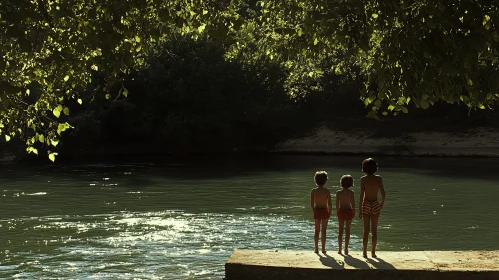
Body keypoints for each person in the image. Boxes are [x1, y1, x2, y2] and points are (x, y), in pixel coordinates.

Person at [359, 158, 386, 258]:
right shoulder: (378, 178)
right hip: (375, 203)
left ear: (364, 168)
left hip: (366, 203)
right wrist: (381, 205)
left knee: (366, 230)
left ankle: (365, 252)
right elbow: (383, 194)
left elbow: (362, 195)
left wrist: (360, 209)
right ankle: (373, 252)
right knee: (374, 230)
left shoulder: (363, 179)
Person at [310, 171, 332, 254]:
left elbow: (312, 204)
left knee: (317, 230)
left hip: (317, 210)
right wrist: (330, 212)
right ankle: (323, 249)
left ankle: (316, 249)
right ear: (325, 181)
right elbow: (329, 203)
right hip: (324, 210)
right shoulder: (327, 191)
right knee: (324, 230)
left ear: (315, 180)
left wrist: (314, 211)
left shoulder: (313, 191)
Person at [336, 174, 355, 255]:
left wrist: (337, 212)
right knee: (348, 231)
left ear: (341, 183)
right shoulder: (351, 192)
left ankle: (339, 249)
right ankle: (346, 249)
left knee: (340, 231)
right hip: (349, 211)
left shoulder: (338, 192)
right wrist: (353, 212)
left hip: (341, 211)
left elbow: (337, 204)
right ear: (351, 183)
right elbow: (353, 204)